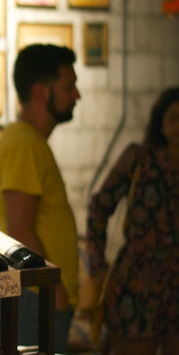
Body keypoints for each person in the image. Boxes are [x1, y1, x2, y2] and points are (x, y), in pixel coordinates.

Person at [0, 44, 81, 351]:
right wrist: (57, 294)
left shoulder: (25, 140)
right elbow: (20, 229)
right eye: (69, 86)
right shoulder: (24, 143)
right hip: (33, 296)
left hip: (28, 292)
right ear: (41, 92)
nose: (76, 95)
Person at [86, 87, 179, 355]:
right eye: (173, 117)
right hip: (138, 279)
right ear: (161, 123)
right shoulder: (139, 159)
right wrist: (97, 264)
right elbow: (99, 207)